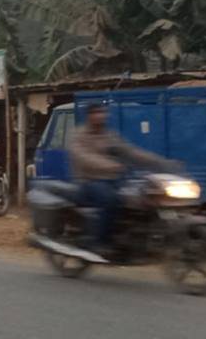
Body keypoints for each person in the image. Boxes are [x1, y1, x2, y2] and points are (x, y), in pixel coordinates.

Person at [68, 103, 166, 255]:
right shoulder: (79, 136)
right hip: (89, 181)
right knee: (110, 200)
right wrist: (110, 166)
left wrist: (159, 162)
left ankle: (134, 238)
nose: (101, 116)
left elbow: (131, 151)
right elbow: (84, 157)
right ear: (89, 116)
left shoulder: (109, 135)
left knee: (143, 197)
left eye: (103, 112)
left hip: (113, 180)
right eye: (97, 112)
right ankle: (98, 242)